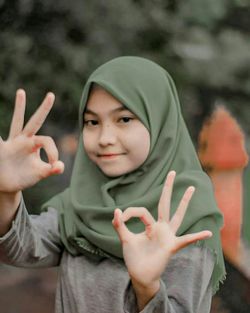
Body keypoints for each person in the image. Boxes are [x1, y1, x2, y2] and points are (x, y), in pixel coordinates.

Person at [0, 56, 225, 313]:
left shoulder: (186, 212)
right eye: (92, 122)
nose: (105, 138)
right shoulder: (81, 202)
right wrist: (7, 192)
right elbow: (18, 249)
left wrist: (147, 288)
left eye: (124, 119)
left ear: (160, 121)